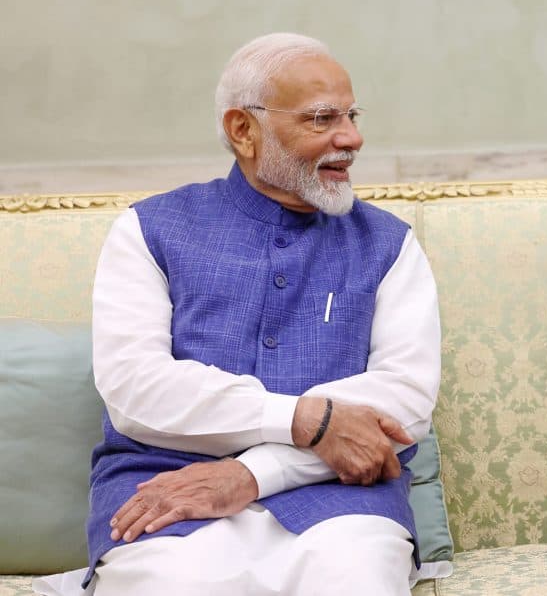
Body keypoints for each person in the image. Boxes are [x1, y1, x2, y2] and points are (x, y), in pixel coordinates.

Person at [34, 33, 441, 596]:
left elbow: (404, 404)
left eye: (351, 115)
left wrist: (252, 473)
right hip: (165, 493)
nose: (352, 138)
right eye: (322, 118)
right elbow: (135, 388)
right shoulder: (149, 230)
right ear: (243, 130)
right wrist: (304, 419)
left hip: (342, 503)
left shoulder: (389, 244)